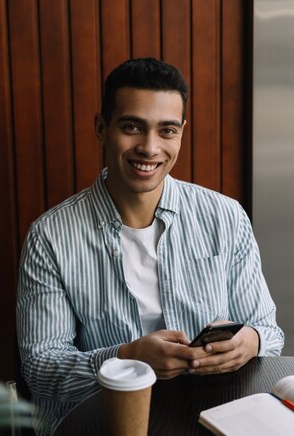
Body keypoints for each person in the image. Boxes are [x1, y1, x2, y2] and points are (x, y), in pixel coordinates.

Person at [16, 57, 284, 434]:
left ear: (181, 134)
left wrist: (251, 341)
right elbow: (41, 370)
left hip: (215, 414)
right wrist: (126, 359)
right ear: (101, 128)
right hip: (106, 421)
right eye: (132, 127)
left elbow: (269, 331)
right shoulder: (50, 237)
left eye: (167, 130)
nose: (150, 147)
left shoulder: (226, 216)